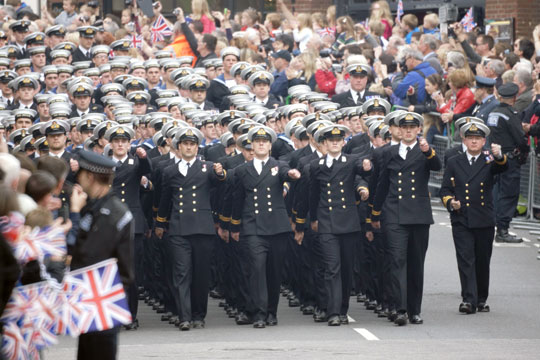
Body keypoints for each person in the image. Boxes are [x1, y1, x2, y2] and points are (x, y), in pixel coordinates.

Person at [371, 112, 442, 326]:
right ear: (398, 130)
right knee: (396, 261)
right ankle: (399, 308)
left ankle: (414, 310)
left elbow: (437, 166)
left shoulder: (425, 152)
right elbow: (382, 184)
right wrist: (374, 213)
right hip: (394, 213)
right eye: (405, 127)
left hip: (418, 215)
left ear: (419, 129)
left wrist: (428, 151)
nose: (409, 130)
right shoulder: (389, 153)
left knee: (415, 264)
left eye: (413, 127)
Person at [229, 125, 301, 328]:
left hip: (277, 228)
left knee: (274, 272)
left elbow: (286, 173)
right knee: (257, 269)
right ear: (252, 145)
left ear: (270, 145)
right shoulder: (243, 170)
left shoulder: (279, 165)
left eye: (265, 141)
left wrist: (292, 174)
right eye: (257, 141)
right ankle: (259, 313)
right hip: (253, 227)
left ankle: (271, 311)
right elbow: (236, 198)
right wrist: (234, 225)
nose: (261, 144)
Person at [155, 127, 226, 330]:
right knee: (181, 273)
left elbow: (221, 183)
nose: (188, 147)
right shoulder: (170, 171)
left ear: (197, 147)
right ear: (178, 147)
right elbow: (165, 200)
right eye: (185, 144)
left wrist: (221, 174)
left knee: (201, 275)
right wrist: (160, 223)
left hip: (202, 229)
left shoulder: (208, 167)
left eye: (192, 144)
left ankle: (198, 315)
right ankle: (184, 315)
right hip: (179, 229)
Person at [70, 150, 134, 360]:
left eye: (80, 175)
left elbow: (89, 256)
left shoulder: (111, 212)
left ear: (90, 176)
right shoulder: (95, 206)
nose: (77, 180)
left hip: (102, 297)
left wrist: (74, 214)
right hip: (90, 298)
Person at [306, 124, 371, 326]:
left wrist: (367, 167)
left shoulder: (351, 161)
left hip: (348, 223)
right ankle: (332, 312)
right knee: (332, 268)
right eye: (330, 140)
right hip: (327, 222)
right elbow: (313, 195)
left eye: (338, 140)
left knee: (346, 268)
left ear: (343, 142)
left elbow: (362, 170)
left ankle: (343, 309)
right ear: (324, 143)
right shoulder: (317, 166)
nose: (335, 143)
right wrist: (313, 219)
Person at [440, 121, 508, 315]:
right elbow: (445, 189)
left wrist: (499, 155)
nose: (474, 142)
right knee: (465, 259)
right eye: (470, 138)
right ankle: (468, 299)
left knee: (482, 260)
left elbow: (503, 166)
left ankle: (481, 298)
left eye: (477, 139)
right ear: (464, 139)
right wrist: (450, 202)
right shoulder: (454, 161)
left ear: (484, 141)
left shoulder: (489, 160)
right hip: (462, 218)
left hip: (484, 218)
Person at [486, 83, 528, 243]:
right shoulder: (510, 115)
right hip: (510, 159)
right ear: (515, 97)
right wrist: (524, 149)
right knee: (509, 194)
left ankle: (497, 226)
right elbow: (520, 139)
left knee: (498, 193)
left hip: (497, 157)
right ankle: (502, 230)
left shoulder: (494, 113)